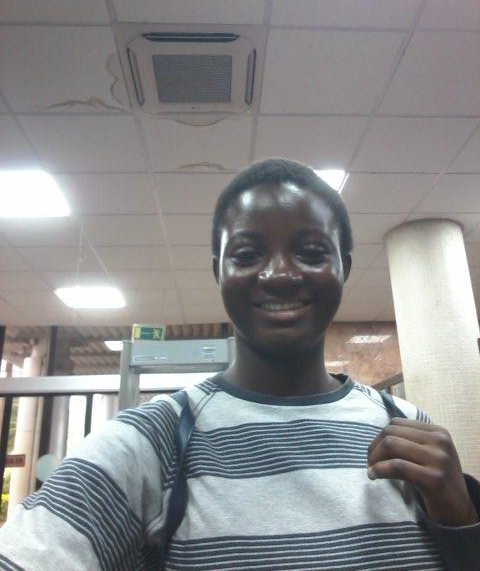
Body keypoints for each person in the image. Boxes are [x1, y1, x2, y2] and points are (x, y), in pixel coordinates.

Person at [1, 158, 479, 570]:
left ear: (344, 268)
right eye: (248, 254)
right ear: (219, 272)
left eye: (311, 252)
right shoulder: (154, 442)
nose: (280, 274)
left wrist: (463, 522)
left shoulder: (406, 428)